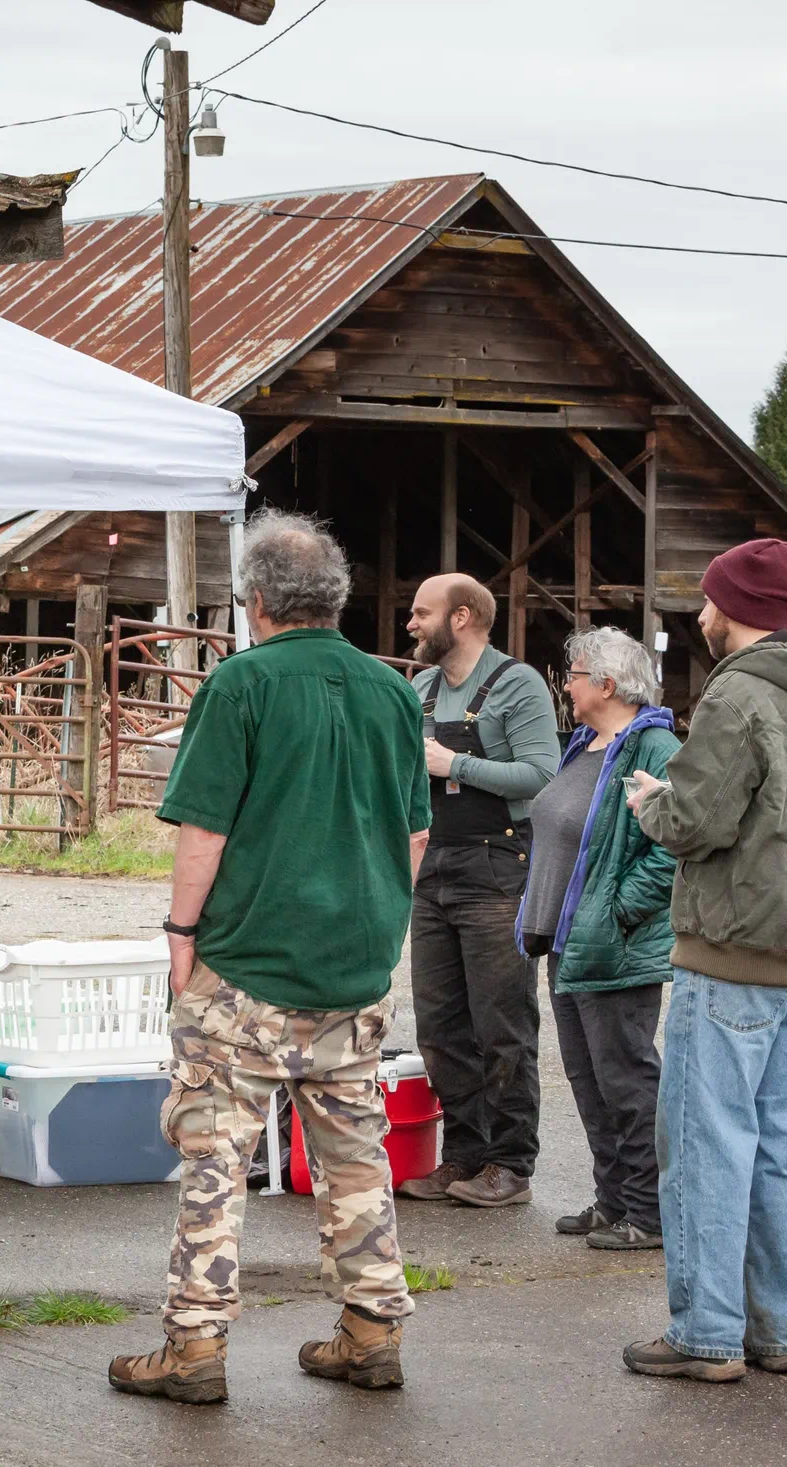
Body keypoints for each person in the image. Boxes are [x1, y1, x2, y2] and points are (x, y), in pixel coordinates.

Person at [108, 511, 429, 1404]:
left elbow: (203, 828)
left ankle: (196, 1346)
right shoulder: (394, 691)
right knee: (355, 1151)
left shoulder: (241, 684)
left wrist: (180, 933)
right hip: (354, 968)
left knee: (215, 1152)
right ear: (335, 597)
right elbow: (414, 832)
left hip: (246, 965)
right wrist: (381, 929)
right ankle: (373, 1329)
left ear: (256, 600)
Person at [620, 538, 787, 1383]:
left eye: (707, 598)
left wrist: (653, 805)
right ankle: (778, 1329)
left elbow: (699, 821)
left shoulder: (738, 692)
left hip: (735, 945)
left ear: (731, 607)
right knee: (777, 1144)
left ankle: (705, 1332)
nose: (700, 612)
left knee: (705, 1141)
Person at [397, 574, 559, 1208]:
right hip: (432, 867)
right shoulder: (422, 688)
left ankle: (511, 1163)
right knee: (439, 1025)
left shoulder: (516, 684)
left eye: (420, 613)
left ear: (461, 618)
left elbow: (543, 774)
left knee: (502, 1022)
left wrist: (453, 764)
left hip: (497, 868)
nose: (410, 624)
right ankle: (463, 1154)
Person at [518, 627, 678, 1252]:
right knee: (589, 1078)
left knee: (627, 1079)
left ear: (606, 686)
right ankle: (614, 1201)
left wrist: (614, 910)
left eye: (574, 676)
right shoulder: (586, 745)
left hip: (612, 943)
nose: (566, 685)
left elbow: (670, 850)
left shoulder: (656, 749)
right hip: (568, 941)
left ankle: (650, 1212)